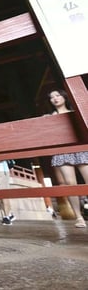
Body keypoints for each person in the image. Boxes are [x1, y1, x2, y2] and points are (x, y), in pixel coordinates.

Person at [47, 89, 88, 228]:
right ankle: (79, 217)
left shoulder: (74, 112)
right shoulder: (50, 116)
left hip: (80, 147)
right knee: (70, 184)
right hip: (63, 150)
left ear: (64, 97)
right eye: (52, 97)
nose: (55, 98)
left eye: (57, 95)